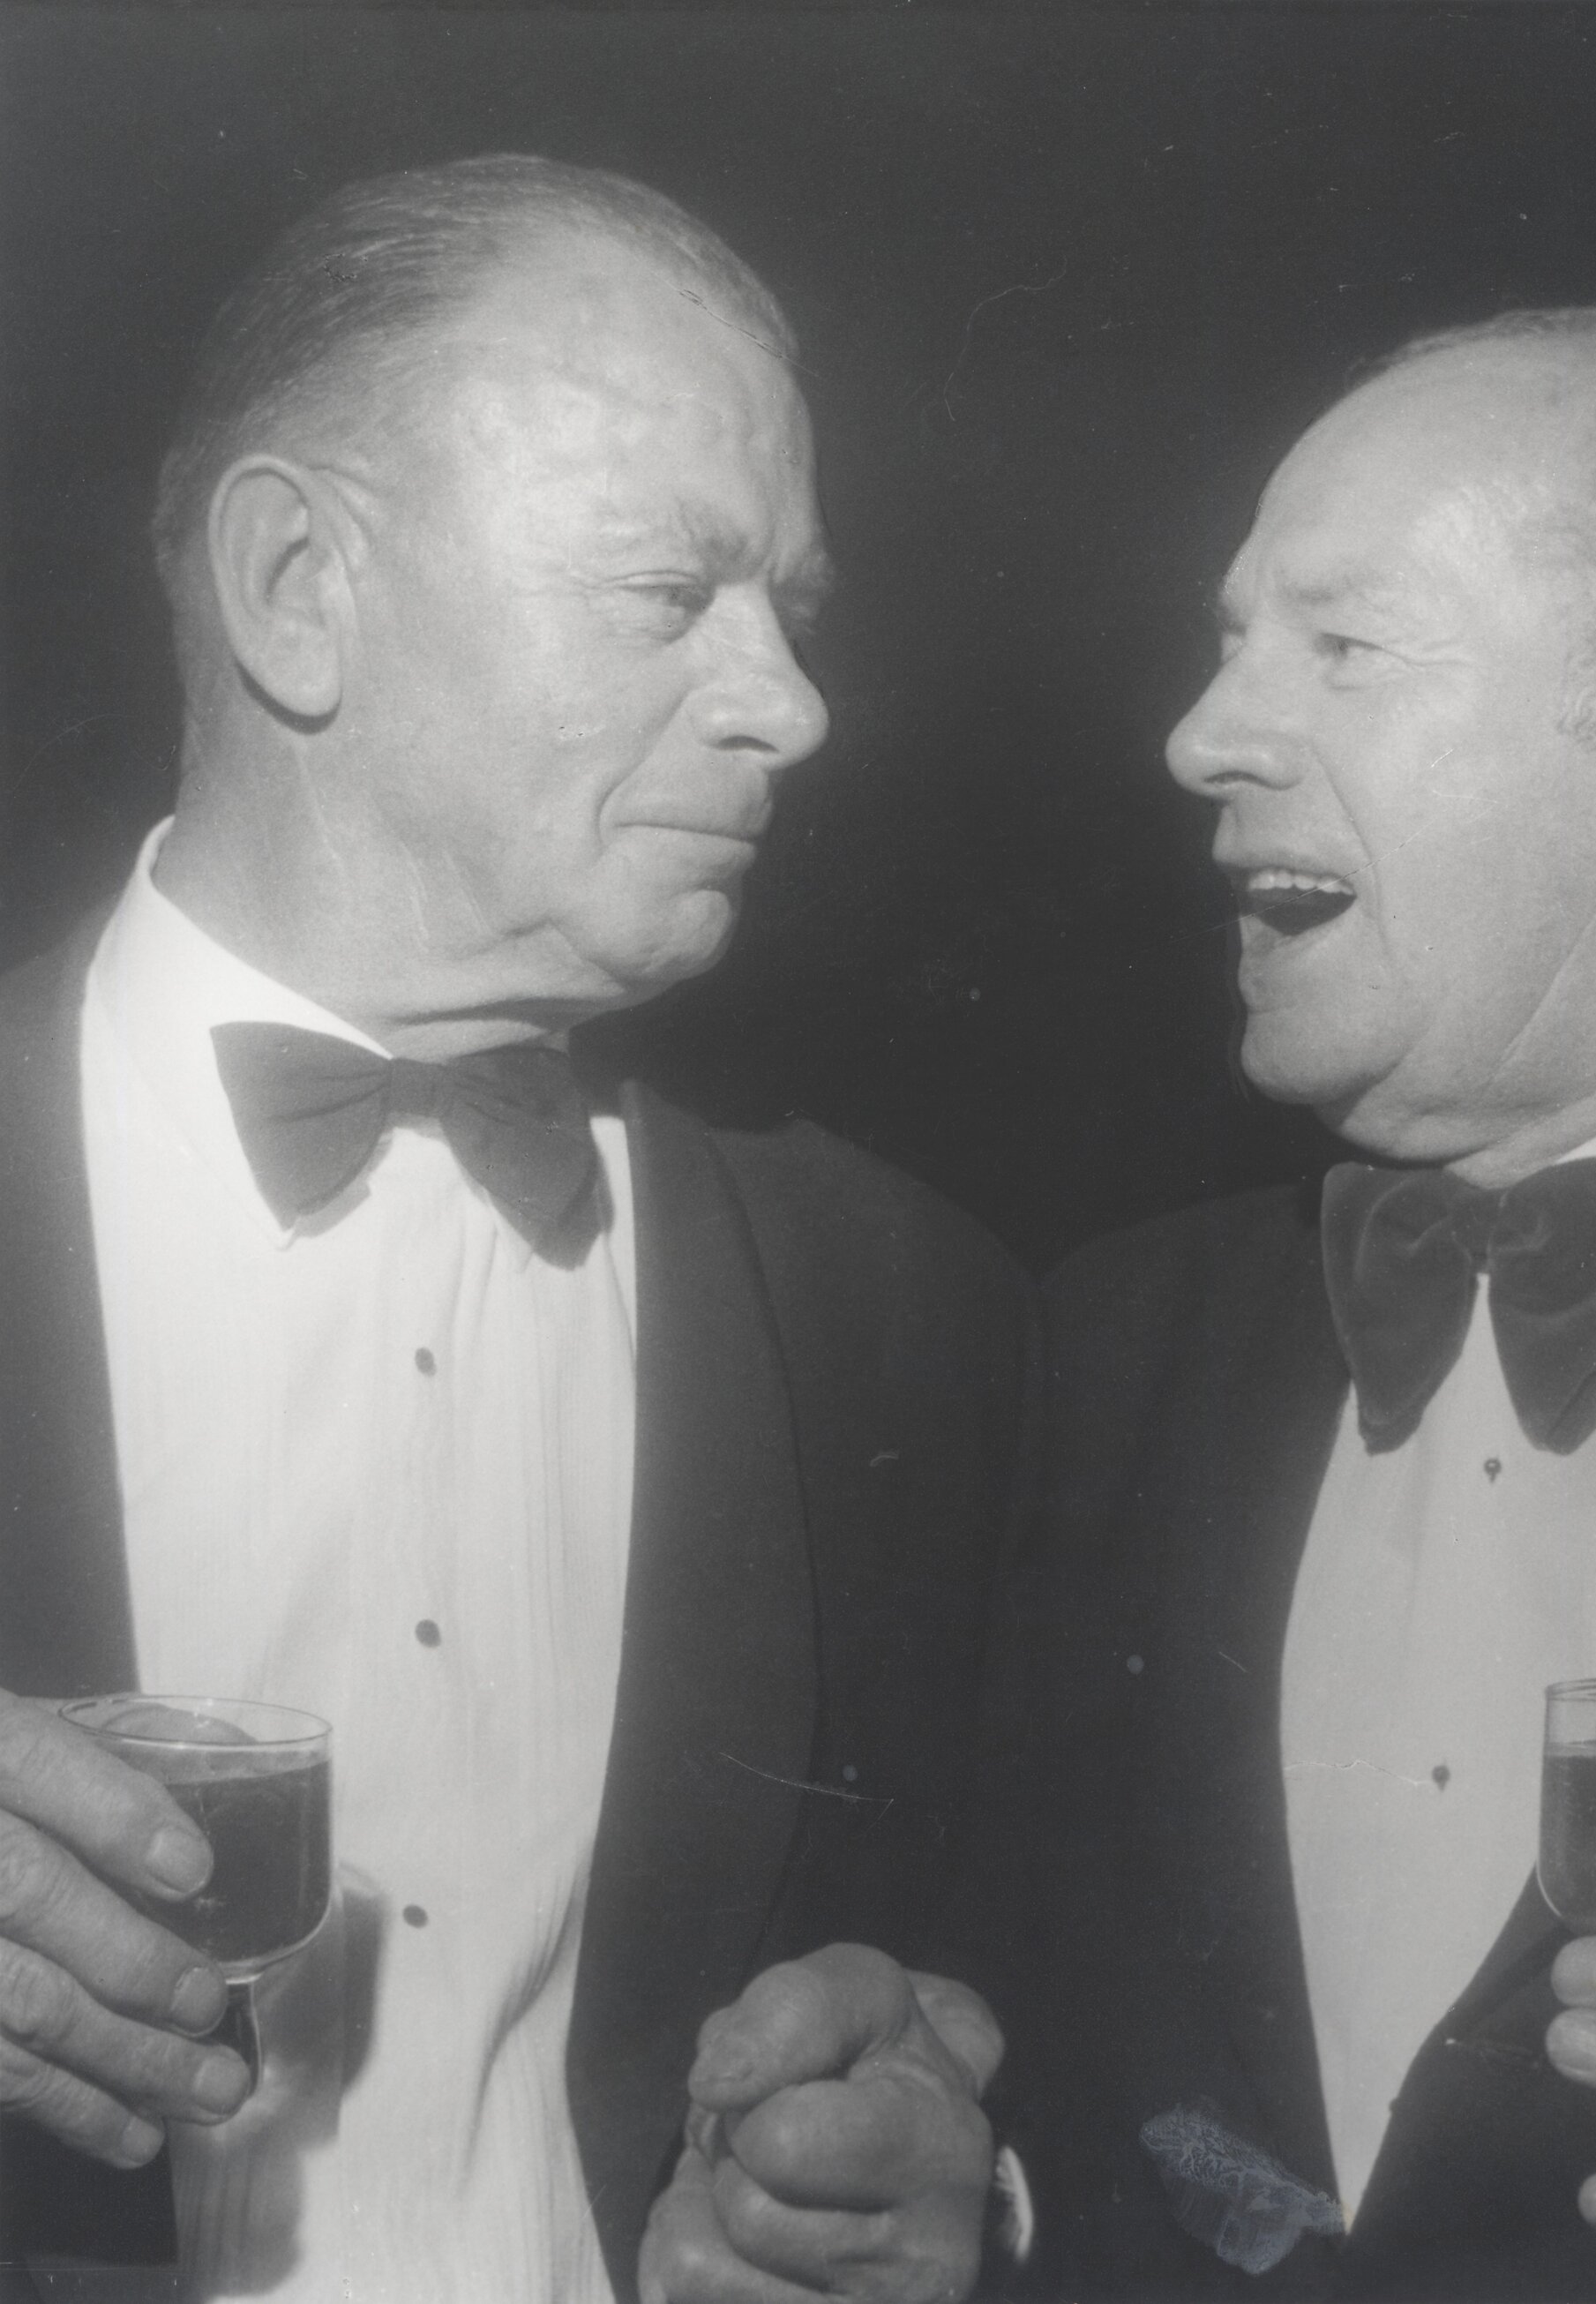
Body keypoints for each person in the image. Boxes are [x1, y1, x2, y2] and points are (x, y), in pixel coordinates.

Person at [650, 305, 1596, 2304]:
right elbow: (1040, 2056)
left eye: (1342, 644)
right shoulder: (1106, 1349)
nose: (1199, 739)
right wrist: (951, 2186)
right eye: (1232, 641)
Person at [0, 156, 1027, 2303]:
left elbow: (1048, 2001)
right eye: (673, 594)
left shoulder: (896, 1299)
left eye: (794, 610)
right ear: (296, 587)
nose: (790, 706)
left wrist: (952, 2184)